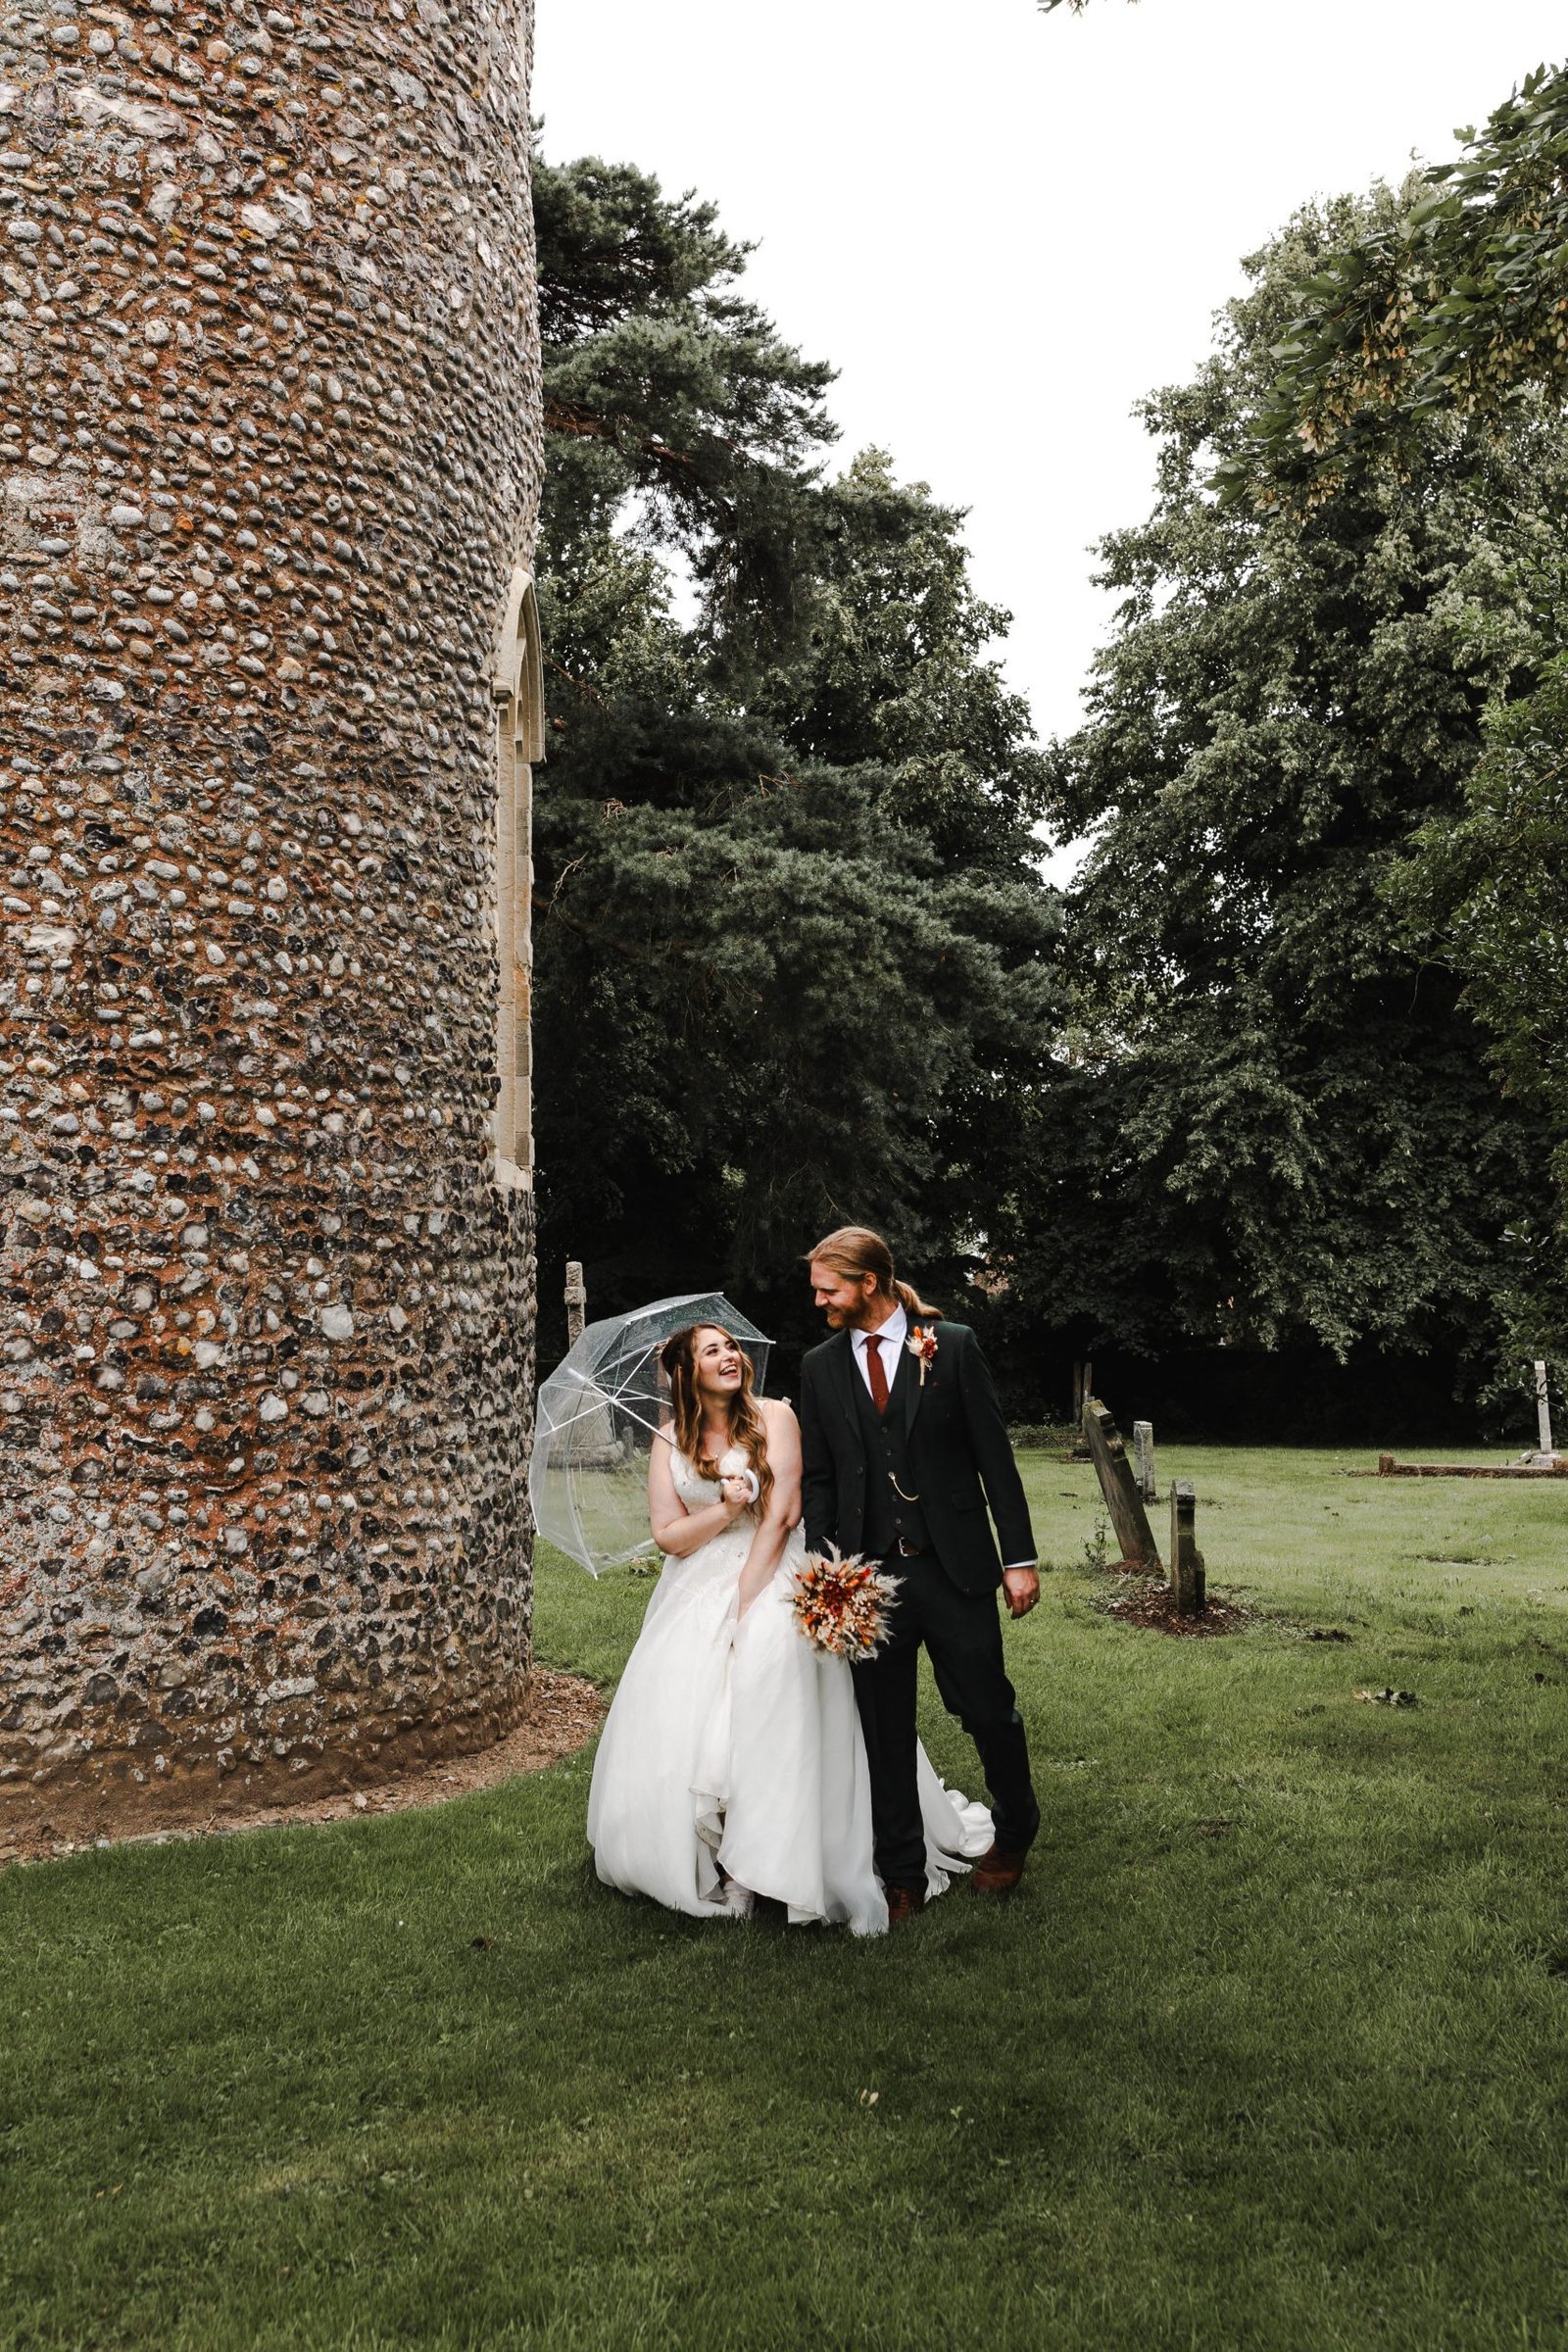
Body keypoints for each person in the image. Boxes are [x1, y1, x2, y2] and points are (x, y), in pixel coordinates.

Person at [587, 1322, 989, 1931]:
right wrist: (724, 1509)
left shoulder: (775, 1416)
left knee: (768, 1661)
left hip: (773, 1569)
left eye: (730, 1346)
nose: (729, 1356)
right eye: (712, 1351)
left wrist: (744, 1605)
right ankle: (718, 1858)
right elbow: (669, 1535)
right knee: (689, 1699)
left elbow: (784, 1514)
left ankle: (769, 1859)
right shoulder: (669, 1439)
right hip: (696, 1583)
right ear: (687, 1373)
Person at [799, 1227, 1042, 1924]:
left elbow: (995, 1459)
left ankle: (1016, 1829)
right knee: (883, 1728)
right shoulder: (819, 1367)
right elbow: (819, 1477)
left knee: (985, 1708)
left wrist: (1018, 1559)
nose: (820, 1302)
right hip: (867, 1581)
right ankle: (901, 1872)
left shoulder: (952, 1347)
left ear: (868, 1283)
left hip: (953, 1567)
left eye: (829, 1289)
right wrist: (826, 1565)